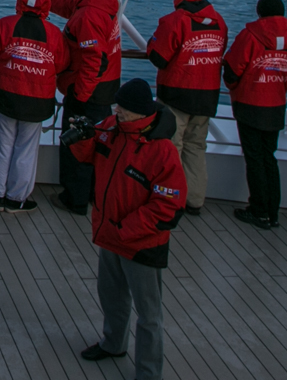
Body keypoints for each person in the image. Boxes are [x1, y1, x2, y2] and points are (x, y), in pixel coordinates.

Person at [73, 78, 187, 380]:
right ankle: (113, 344)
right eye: (117, 105)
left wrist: (126, 228)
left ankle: (149, 374)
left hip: (141, 244)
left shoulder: (162, 151)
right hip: (110, 234)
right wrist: (81, 138)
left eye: (122, 107)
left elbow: (169, 206)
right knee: (111, 295)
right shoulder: (112, 127)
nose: (116, 110)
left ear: (140, 112)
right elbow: (88, 157)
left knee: (149, 315)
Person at [0, 0, 69, 213]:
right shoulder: (55, 34)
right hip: (37, 100)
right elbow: (61, 64)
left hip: (6, 95)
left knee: (3, 145)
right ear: (46, 6)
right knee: (26, 149)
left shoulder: (3, 25)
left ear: (19, 1)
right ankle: (16, 198)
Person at [145, 0, 227, 216]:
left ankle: (172, 199)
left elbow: (158, 56)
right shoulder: (219, 22)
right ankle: (195, 199)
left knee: (171, 147)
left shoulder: (175, 21)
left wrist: (152, 42)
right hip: (208, 95)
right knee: (196, 147)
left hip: (177, 94)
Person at [223, 0, 287, 229]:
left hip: (250, 103)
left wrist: (238, 87)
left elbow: (232, 69)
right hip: (275, 105)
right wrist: (277, 86)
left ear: (259, 13)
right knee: (269, 158)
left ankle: (259, 210)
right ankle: (272, 212)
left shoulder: (250, 36)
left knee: (255, 159)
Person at [49, 0, 120, 216]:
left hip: (87, 93)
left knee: (77, 145)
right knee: (96, 143)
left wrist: (80, 95)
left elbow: (94, 60)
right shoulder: (99, 4)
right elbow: (68, 6)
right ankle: (91, 193)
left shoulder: (87, 16)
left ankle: (74, 199)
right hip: (105, 88)